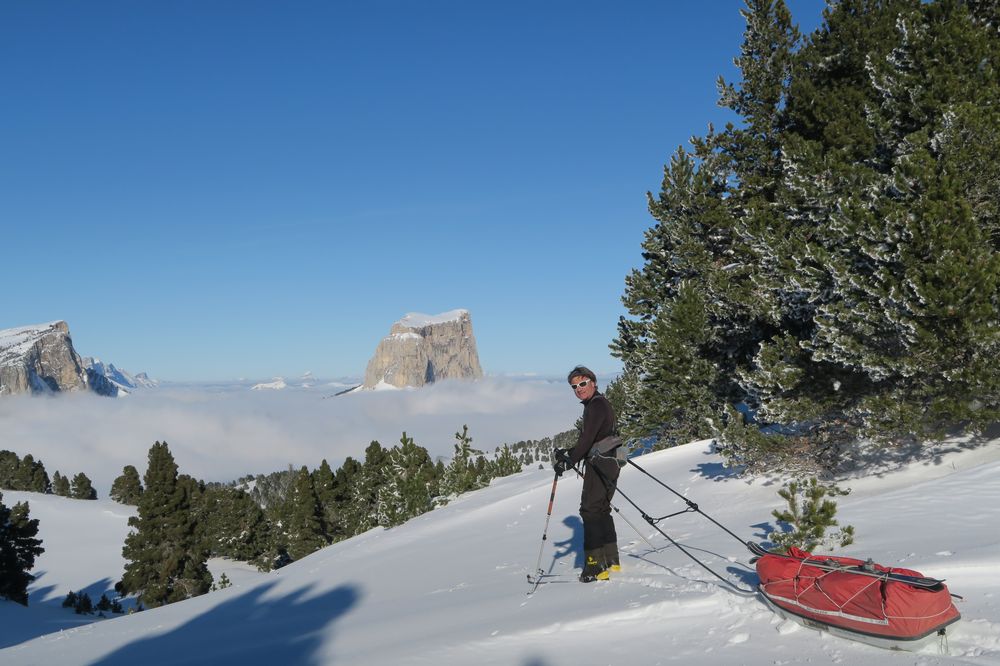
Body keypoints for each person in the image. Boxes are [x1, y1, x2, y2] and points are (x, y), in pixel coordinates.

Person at [553, 366, 621, 582]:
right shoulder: (599, 403)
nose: (579, 389)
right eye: (574, 386)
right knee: (601, 509)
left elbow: (587, 439)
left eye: (583, 383)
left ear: (593, 382)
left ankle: (594, 567)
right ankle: (612, 561)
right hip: (611, 460)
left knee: (590, 511)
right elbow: (591, 439)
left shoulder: (595, 406)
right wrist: (571, 454)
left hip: (601, 462)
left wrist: (568, 460)